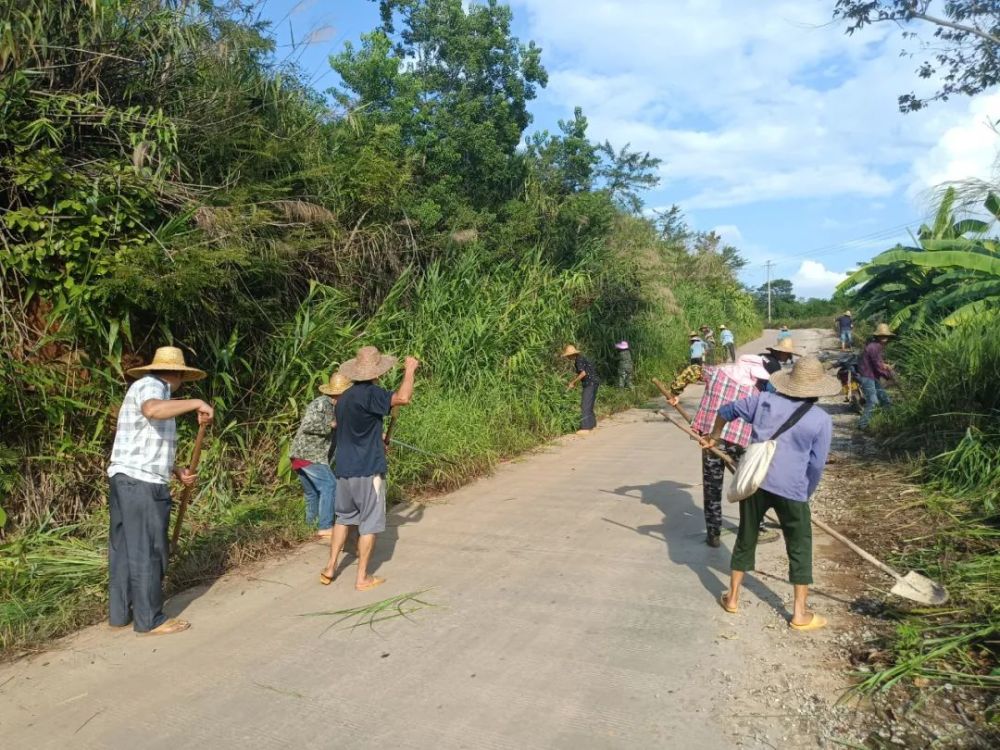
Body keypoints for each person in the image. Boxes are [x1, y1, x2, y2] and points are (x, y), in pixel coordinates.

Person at [707, 356, 837, 631]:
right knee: (799, 546)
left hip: (755, 482)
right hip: (792, 490)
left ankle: (732, 597)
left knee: (746, 535)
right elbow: (816, 465)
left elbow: (726, 410)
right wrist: (806, 493)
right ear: (818, 389)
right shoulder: (821, 419)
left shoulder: (764, 401)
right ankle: (799, 613)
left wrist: (716, 436)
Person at [107, 346, 214, 635]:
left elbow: (145, 443)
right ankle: (149, 619)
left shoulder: (152, 390)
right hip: (141, 486)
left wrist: (175, 470)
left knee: (126, 549)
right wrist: (196, 402)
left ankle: (120, 614)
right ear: (178, 374)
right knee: (148, 550)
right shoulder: (152, 387)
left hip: (129, 478)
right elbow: (152, 410)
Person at [320, 347, 418, 590]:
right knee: (369, 524)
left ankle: (330, 567)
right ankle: (362, 577)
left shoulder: (344, 398)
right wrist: (410, 371)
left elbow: (355, 430)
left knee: (343, 518)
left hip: (344, 469)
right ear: (377, 371)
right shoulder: (372, 393)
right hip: (367, 470)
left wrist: (378, 438)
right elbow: (403, 398)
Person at [666, 355, 773, 547]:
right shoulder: (759, 386)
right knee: (747, 484)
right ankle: (756, 529)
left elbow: (693, 370)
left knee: (712, 487)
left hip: (711, 439)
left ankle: (713, 534)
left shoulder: (716, 373)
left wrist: (675, 391)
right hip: (741, 441)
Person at [291, 371, 352, 542]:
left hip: (303, 456)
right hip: (309, 454)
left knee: (312, 493)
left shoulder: (336, 406)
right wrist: (330, 424)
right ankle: (325, 527)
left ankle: (310, 525)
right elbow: (308, 425)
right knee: (330, 485)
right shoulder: (321, 404)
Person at [858, 323, 895, 429]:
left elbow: (878, 362)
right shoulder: (874, 347)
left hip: (873, 375)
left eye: (886, 336)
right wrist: (888, 375)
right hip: (867, 376)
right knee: (873, 401)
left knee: (884, 398)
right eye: (882, 336)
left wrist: (885, 366)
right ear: (877, 336)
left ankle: (889, 420)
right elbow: (877, 365)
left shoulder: (876, 346)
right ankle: (862, 425)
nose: (884, 338)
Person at [563, 344, 599, 434]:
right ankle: (592, 424)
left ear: (571, 355)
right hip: (595, 382)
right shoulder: (582, 358)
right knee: (589, 404)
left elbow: (583, 373)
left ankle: (585, 428)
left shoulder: (578, 361)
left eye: (568, 356)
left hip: (589, 383)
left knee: (585, 404)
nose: (567, 357)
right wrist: (576, 381)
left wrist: (573, 382)